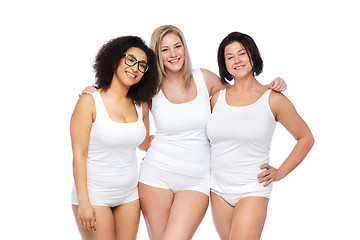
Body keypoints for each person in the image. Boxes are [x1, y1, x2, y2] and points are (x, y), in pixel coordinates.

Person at [81, 25, 286, 240]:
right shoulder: (150, 88)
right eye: (165, 49)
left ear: (184, 48)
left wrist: (271, 87)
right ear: (157, 55)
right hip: (156, 176)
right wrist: (95, 93)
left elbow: (242, 92)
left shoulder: (205, 79)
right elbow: (126, 109)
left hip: (196, 180)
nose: (173, 53)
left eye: (177, 46)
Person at [206, 32, 315, 240]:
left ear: (252, 56)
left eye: (242, 54)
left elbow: (306, 138)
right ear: (225, 65)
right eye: (230, 57)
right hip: (217, 189)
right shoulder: (216, 99)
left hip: (252, 189)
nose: (237, 60)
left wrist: (281, 172)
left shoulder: (273, 99)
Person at [70, 36, 158, 240]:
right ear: (115, 60)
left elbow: (145, 143)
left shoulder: (141, 105)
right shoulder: (89, 102)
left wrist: (186, 139)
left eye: (142, 65)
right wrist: (84, 202)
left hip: (129, 195)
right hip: (94, 196)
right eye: (130, 60)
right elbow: (79, 155)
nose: (135, 68)